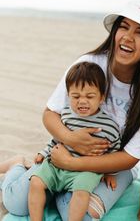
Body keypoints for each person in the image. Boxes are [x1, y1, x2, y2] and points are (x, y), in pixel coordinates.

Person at [0, 1, 140, 220]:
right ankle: (17, 164)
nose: (128, 37)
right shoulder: (90, 64)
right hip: (65, 152)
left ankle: (61, 188)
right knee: (17, 203)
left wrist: (74, 164)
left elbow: (130, 157)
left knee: (82, 215)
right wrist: (70, 139)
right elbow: (50, 113)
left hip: (111, 166)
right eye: (124, 27)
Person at [28, 61, 121, 221]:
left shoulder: (109, 126)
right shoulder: (65, 115)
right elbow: (56, 139)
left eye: (90, 96)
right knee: (36, 182)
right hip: (56, 166)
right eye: (76, 96)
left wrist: (110, 173)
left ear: (101, 98)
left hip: (85, 171)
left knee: (81, 192)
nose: (82, 101)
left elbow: (114, 150)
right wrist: (44, 153)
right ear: (68, 95)